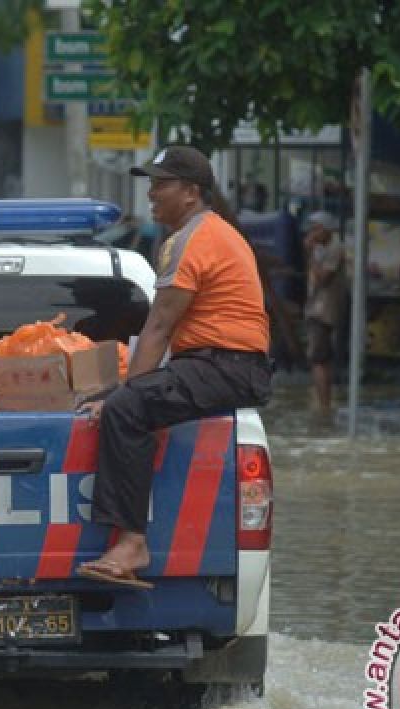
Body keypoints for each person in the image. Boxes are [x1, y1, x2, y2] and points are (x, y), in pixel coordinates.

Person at [76, 146, 273, 589]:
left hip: (226, 365)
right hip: (226, 364)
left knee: (127, 408)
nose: (151, 194)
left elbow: (158, 327)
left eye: (161, 184)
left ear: (190, 192)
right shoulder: (211, 232)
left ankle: (131, 543)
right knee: (124, 400)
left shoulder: (192, 240)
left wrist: (123, 397)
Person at [302, 210, 345, 414]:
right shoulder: (324, 248)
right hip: (318, 307)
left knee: (318, 359)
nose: (313, 233)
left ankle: (324, 405)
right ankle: (324, 403)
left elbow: (322, 278)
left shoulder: (333, 249)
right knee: (322, 358)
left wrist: (310, 254)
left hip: (323, 310)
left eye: (317, 228)